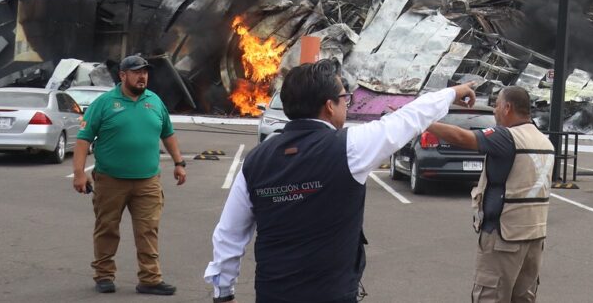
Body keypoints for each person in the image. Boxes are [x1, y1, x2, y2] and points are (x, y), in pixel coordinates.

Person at [204, 59, 477, 303]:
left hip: (273, 293)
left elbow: (229, 233)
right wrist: (453, 92)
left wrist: (223, 293)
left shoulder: (255, 161)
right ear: (329, 107)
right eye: (344, 98)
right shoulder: (350, 148)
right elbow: (409, 119)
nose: (347, 103)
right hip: (331, 293)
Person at [72, 54, 187, 296]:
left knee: (148, 230)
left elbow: (168, 133)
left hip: (148, 181)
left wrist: (179, 162)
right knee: (107, 228)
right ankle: (104, 275)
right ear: (123, 75)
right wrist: (79, 173)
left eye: (145, 71)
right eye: (136, 72)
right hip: (110, 181)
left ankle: (150, 278)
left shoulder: (155, 101)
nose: (142, 76)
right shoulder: (103, 103)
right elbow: (83, 140)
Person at [426, 86, 554, 302]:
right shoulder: (545, 141)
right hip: (534, 237)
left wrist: (421, 123)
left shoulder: (507, 137)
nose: (494, 111)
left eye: (496, 106)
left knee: (490, 295)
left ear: (507, 108)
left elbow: (461, 136)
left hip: (504, 237)